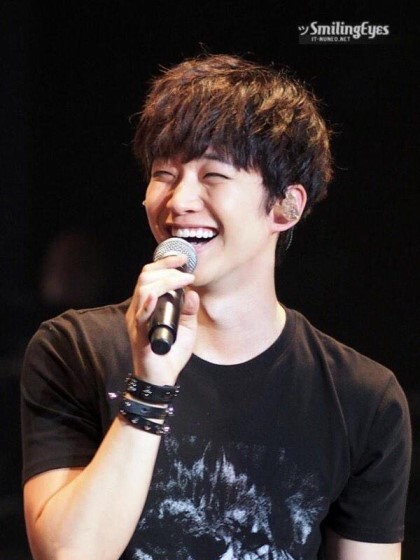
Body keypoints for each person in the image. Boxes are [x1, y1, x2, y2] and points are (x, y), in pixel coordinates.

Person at [21, 54, 411, 560]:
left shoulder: (361, 398)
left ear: (285, 206)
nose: (179, 200)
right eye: (164, 173)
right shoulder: (76, 350)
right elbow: (68, 554)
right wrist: (149, 388)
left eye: (213, 176)